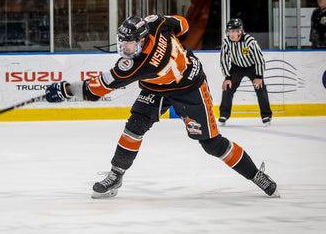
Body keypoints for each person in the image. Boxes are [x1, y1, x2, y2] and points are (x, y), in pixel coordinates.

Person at [44, 14, 278, 199]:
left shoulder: (141, 64)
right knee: (135, 126)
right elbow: (183, 26)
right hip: (156, 87)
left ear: (143, 40)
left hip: (189, 88)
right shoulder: (153, 23)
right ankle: (116, 175)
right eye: (122, 43)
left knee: (211, 144)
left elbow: (96, 89)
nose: (124, 49)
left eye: (129, 44)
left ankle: (257, 175)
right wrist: (165, 23)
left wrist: (65, 90)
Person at [218, 18, 272, 126]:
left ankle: (266, 115)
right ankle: (224, 114)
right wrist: (227, 77)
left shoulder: (250, 41)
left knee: (260, 88)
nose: (231, 34)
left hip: (252, 67)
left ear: (240, 31)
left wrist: (259, 76)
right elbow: (223, 59)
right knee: (227, 87)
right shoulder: (227, 41)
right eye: (229, 31)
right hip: (236, 67)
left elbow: (259, 60)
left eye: (234, 31)